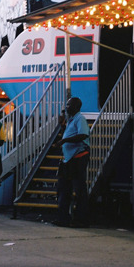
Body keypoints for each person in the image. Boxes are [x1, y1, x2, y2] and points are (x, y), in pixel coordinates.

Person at [54, 97, 90, 228]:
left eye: (69, 105)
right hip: (68, 159)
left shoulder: (80, 119)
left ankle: (82, 219)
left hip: (78, 157)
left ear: (76, 107)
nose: (66, 107)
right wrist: (62, 126)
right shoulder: (71, 120)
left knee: (79, 189)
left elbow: (83, 135)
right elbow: (68, 135)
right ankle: (63, 218)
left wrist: (64, 141)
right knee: (63, 188)